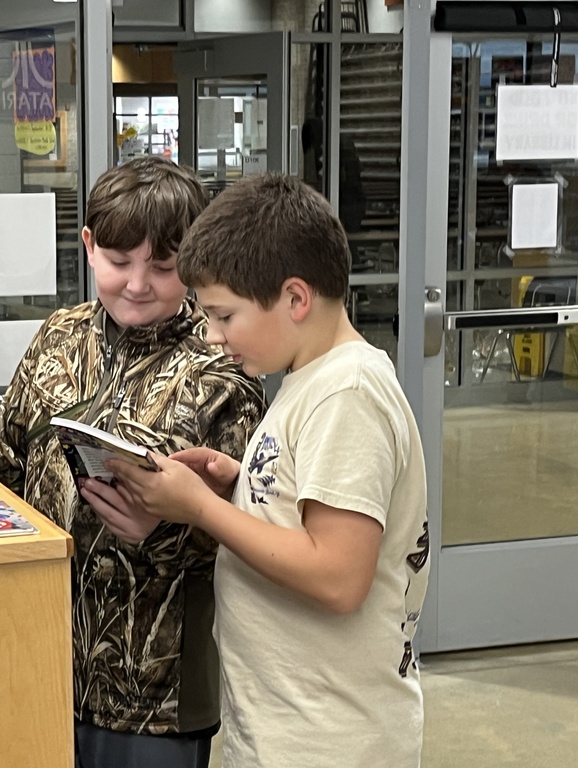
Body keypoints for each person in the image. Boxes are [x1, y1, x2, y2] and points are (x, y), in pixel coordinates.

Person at [103, 174, 430, 767]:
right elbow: (306, 508)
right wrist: (241, 484)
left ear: (296, 299)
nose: (214, 337)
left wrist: (202, 509)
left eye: (225, 317)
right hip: (285, 726)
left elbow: (338, 575)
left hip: (329, 740)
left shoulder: (346, 394)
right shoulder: (308, 379)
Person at [0, 156, 265, 768]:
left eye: (163, 268)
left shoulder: (221, 368)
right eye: (118, 262)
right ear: (88, 247)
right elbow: (4, 471)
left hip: (154, 697)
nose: (138, 284)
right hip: (40, 657)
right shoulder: (58, 339)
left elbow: (255, 537)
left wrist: (163, 532)